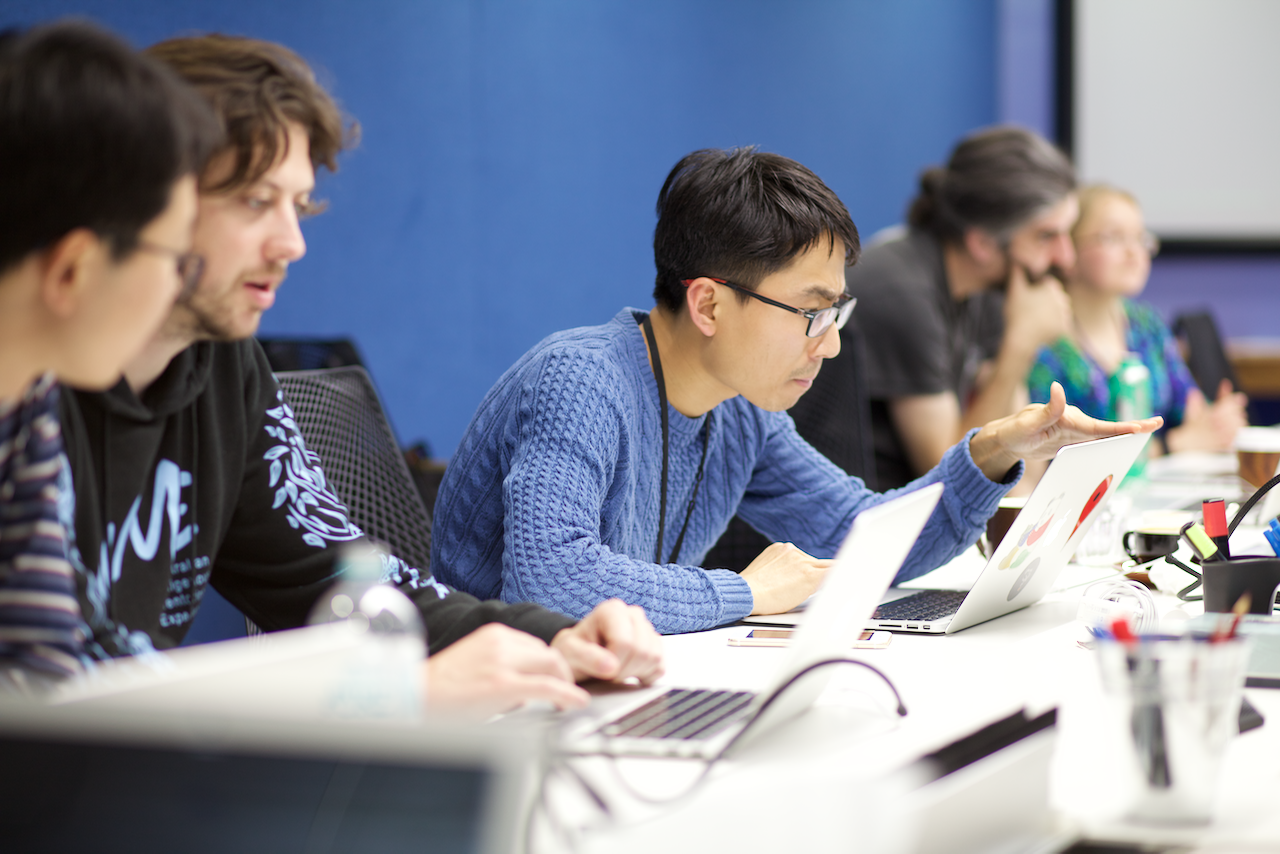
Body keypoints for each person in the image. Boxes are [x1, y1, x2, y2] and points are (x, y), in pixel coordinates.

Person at [52, 33, 661, 714]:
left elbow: (326, 574)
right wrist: (393, 696)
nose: (292, 244)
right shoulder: (30, 391)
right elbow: (59, 686)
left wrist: (553, 638)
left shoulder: (226, 368)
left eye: (299, 204)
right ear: (149, 200)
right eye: (256, 200)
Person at [431, 147, 1161, 635]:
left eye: (837, 311)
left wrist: (989, 454)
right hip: (500, 712)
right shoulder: (582, 380)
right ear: (710, 304)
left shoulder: (740, 412)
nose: (832, 341)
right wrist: (747, 592)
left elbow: (872, 541)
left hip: (613, 685)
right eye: (812, 313)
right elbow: (550, 582)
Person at [0, 21, 220, 686]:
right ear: (74, 270)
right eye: (177, 259)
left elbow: (41, 665)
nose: (181, 286)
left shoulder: (23, 395)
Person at [846, 126, 1078, 489]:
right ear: (982, 243)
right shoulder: (903, 293)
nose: (1066, 256)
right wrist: (1019, 346)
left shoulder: (986, 285)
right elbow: (950, 474)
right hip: (865, 526)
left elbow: (1018, 450)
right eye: (1047, 236)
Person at [1028, 185, 1247, 453]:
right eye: (1114, 238)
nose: (1134, 252)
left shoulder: (1147, 326)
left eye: (1140, 239)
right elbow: (1054, 455)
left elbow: (1190, 410)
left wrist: (1217, 421)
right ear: (1067, 248)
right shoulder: (1046, 339)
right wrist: (1174, 444)